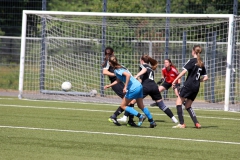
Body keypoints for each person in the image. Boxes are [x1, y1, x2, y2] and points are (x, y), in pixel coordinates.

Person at [104, 55, 157, 128]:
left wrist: (125, 87)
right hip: (139, 86)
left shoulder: (117, 70)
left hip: (133, 88)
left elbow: (128, 75)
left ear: (110, 63)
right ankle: (152, 121)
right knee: (141, 105)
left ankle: (140, 116)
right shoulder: (121, 67)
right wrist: (109, 85)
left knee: (123, 105)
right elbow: (118, 80)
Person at [131, 55, 178, 124]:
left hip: (146, 87)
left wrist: (136, 76)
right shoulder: (151, 68)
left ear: (142, 61)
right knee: (161, 105)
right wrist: (138, 78)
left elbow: (144, 70)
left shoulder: (142, 66)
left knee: (131, 102)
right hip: (154, 87)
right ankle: (174, 119)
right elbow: (143, 80)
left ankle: (129, 119)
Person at [172, 45, 208, 129]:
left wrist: (175, 79)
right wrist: (199, 80)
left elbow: (183, 72)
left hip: (189, 85)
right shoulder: (201, 63)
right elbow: (206, 77)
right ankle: (196, 123)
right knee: (188, 105)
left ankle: (181, 124)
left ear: (193, 52)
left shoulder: (192, 61)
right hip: (196, 87)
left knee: (178, 102)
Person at [102, 47, 136, 126]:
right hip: (116, 83)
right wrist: (115, 74)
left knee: (130, 100)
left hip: (118, 83)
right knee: (129, 101)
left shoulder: (109, 60)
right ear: (113, 53)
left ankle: (130, 120)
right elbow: (104, 72)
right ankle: (115, 117)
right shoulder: (108, 60)